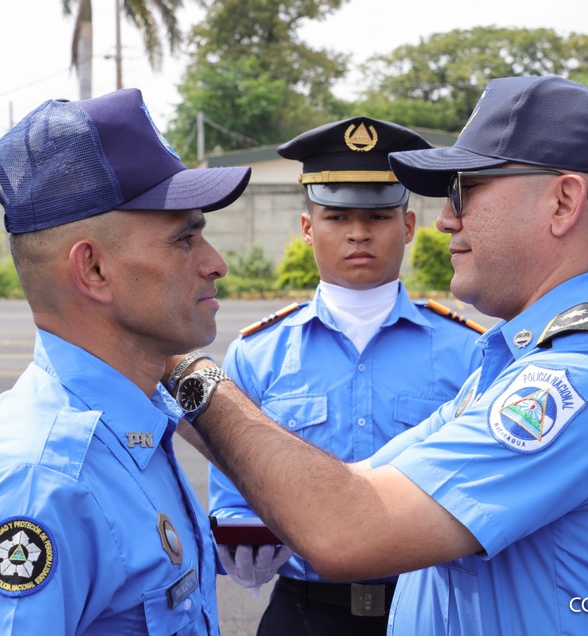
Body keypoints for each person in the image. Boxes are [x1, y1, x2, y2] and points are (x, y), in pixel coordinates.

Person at [162, 75, 588, 635]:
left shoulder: (586, 374)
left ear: (563, 203)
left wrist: (183, 369)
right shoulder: (517, 358)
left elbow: (347, 529)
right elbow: (357, 484)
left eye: (464, 190)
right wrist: (166, 368)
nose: (446, 218)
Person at [0, 88, 251, 635]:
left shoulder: (132, 423)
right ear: (94, 270)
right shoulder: (40, 483)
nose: (215, 263)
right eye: (184, 239)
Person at [207, 117, 484, 635]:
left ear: (408, 226)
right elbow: (232, 498)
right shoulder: (257, 355)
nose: (358, 233)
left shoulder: (469, 352)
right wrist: (243, 537)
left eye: (378, 216)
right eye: (336, 216)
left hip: (430, 611)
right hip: (303, 614)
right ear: (307, 228)